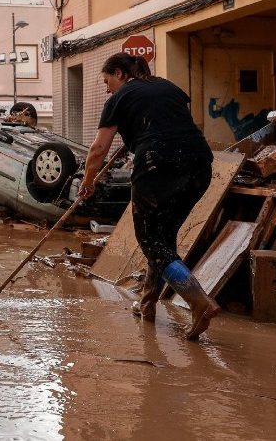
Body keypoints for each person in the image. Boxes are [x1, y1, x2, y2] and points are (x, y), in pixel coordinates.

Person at [78, 52, 218, 341]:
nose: (107, 89)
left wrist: (88, 181)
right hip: (199, 165)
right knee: (163, 238)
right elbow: (166, 122)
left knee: (151, 240)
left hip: (157, 166)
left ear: (119, 73)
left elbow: (97, 150)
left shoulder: (118, 98)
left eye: (107, 81)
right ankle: (147, 304)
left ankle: (198, 302)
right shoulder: (169, 87)